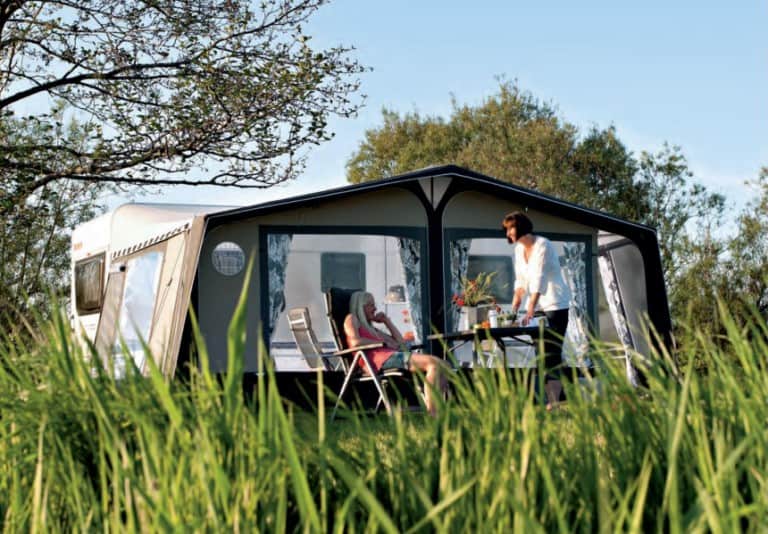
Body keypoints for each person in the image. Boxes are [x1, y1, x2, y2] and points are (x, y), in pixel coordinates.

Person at [502, 211, 571, 409]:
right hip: (536, 308)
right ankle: (554, 399)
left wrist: (530, 306)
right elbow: (521, 279)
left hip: (555, 305)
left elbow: (539, 277)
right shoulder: (518, 251)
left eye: (510, 228)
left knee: (551, 352)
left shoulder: (543, 245)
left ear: (521, 227)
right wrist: (516, 300)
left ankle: (554, 402)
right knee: (541, 354)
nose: (508, 234)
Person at [344, 291, 449, 416]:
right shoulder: (352, 318)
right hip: (379, 360)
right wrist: (385, 343)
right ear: (361, 307)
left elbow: (401, 343)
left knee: (444, 364)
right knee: (434, 364)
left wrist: (386, 321)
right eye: (371, 305)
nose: (375, 308)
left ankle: (437, 410)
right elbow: (355, 342)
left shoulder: (373, 329)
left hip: (390, 356)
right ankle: (433, 414)